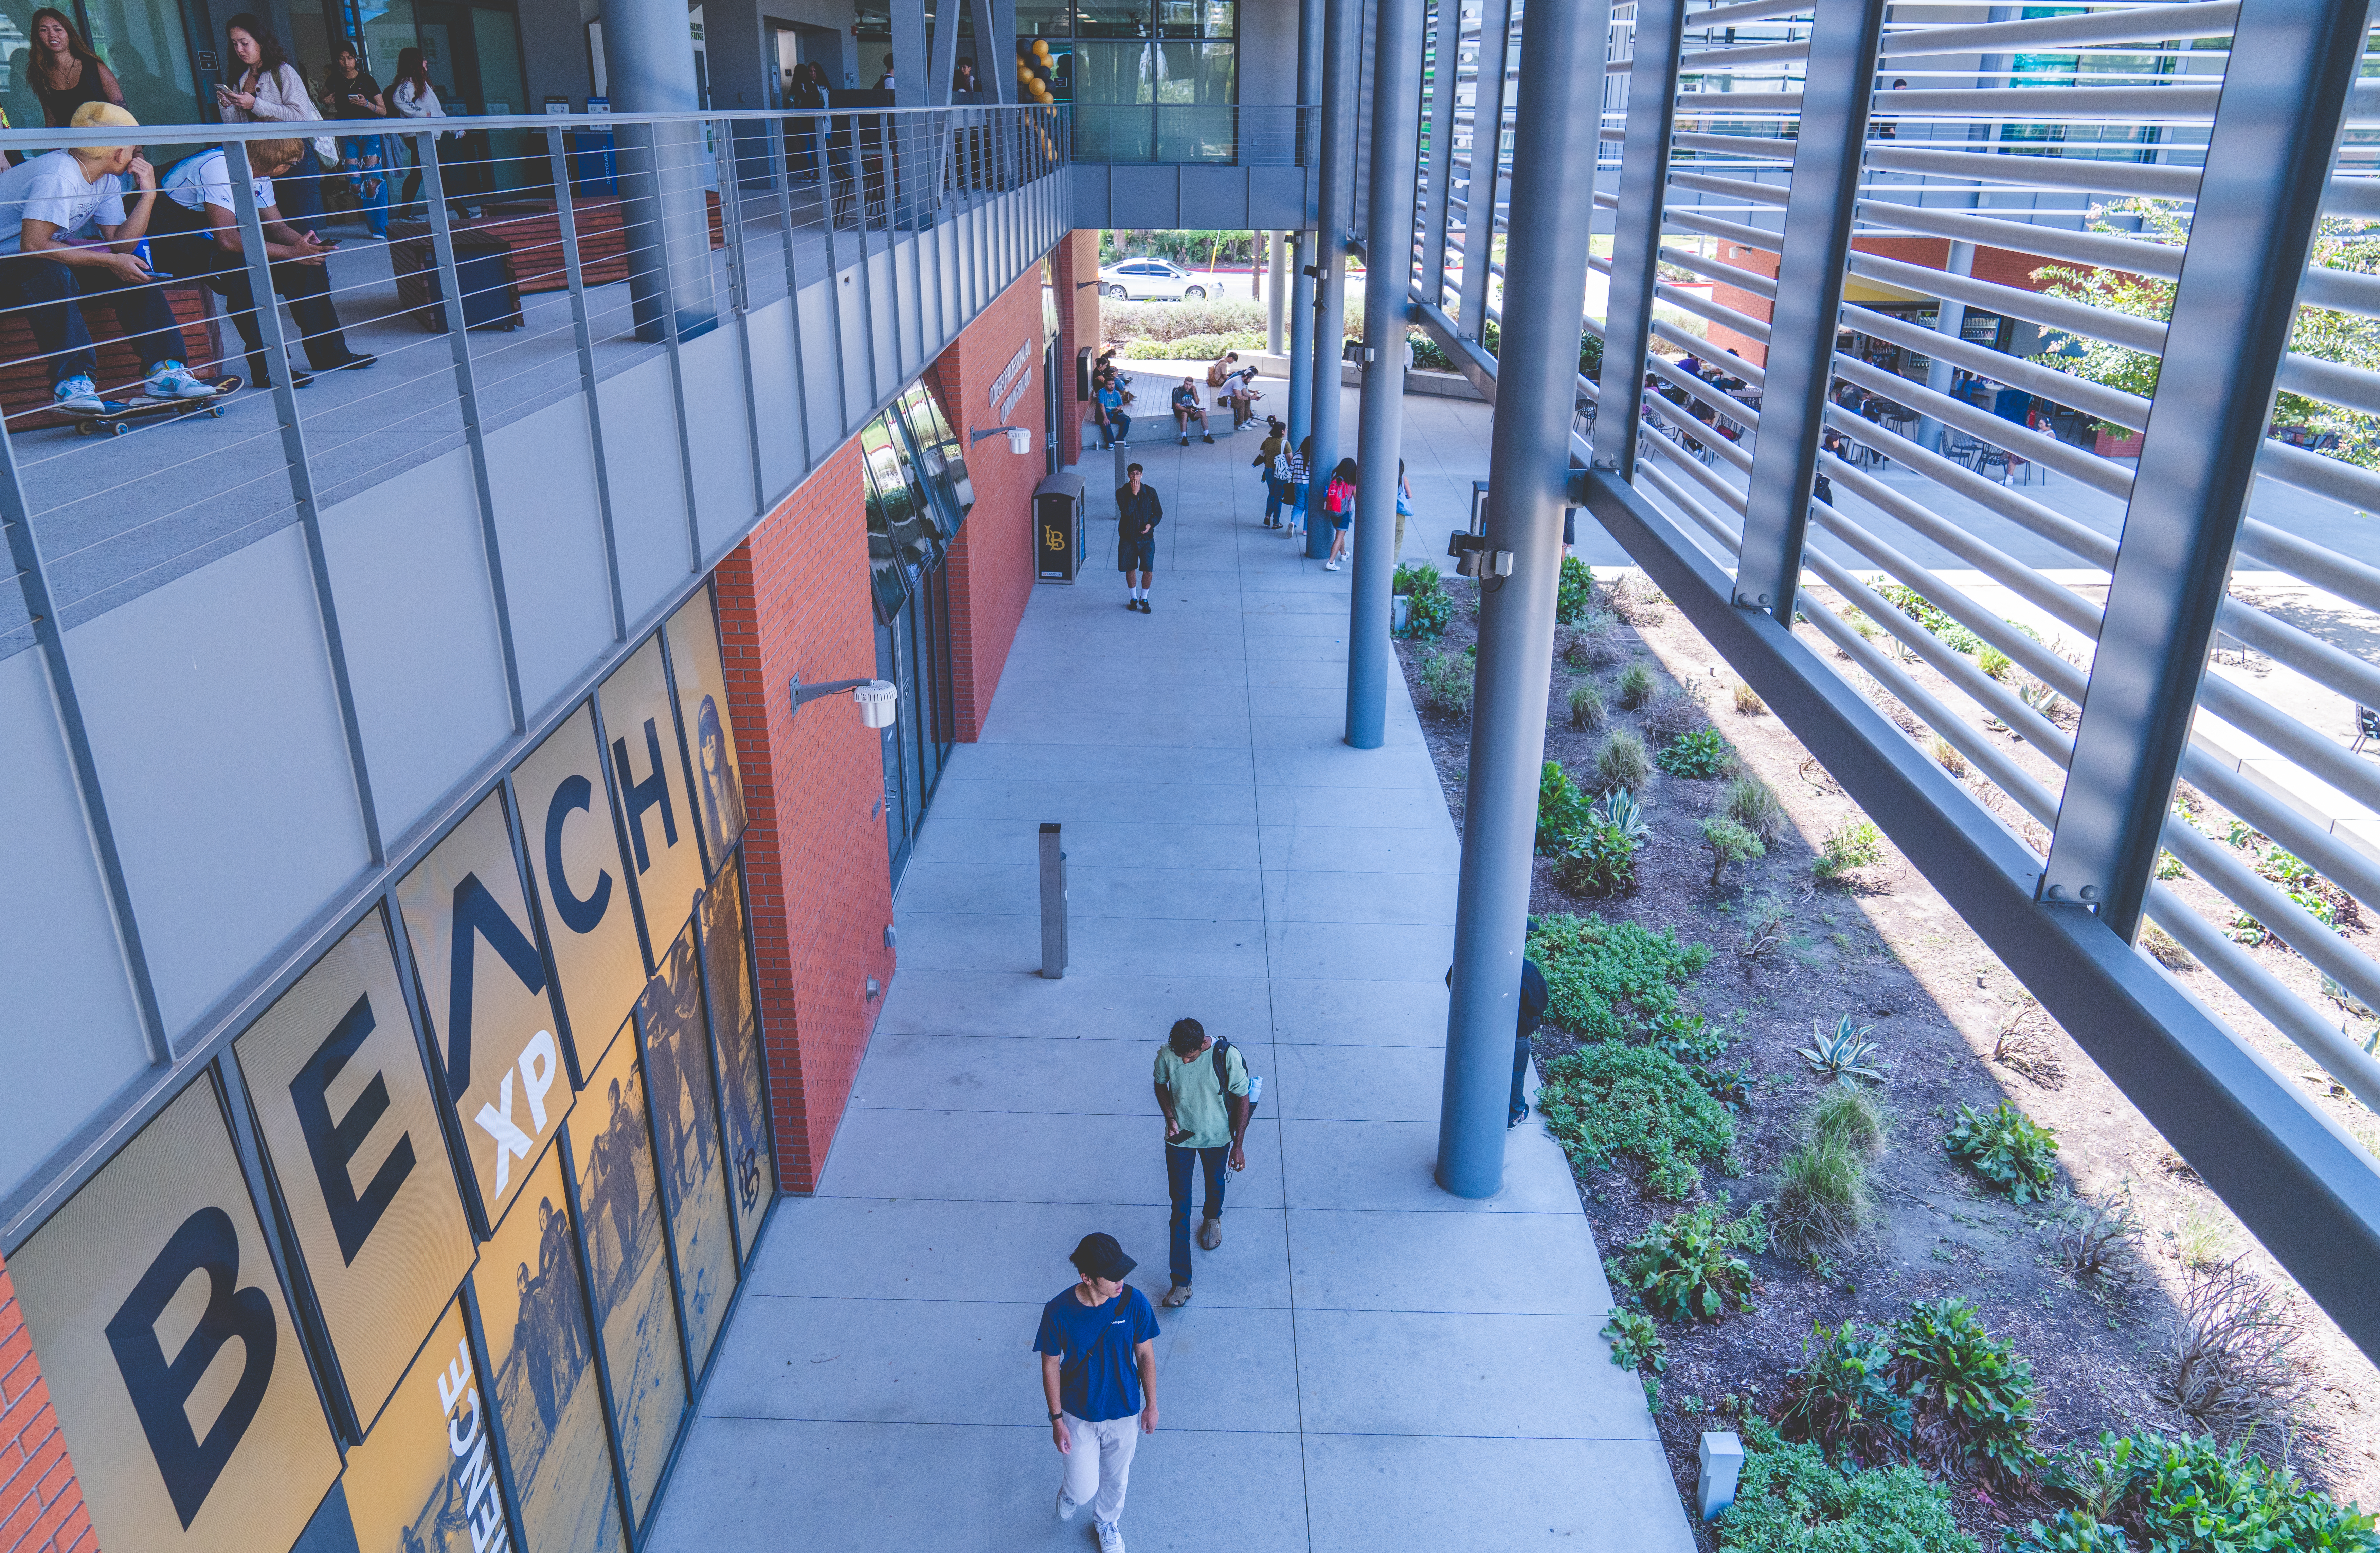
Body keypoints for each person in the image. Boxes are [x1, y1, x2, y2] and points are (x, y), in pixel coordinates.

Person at [0, 103, 218, 412]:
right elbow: (34, 247)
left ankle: (165, 372)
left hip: (30, 265)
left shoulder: (105, 179)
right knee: (48, 271)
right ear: (118, 152)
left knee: (134, 269)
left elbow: (121, 247)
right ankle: (71, 384)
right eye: (134, 150)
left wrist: (148, 196)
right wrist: (109, 261)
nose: (137, 157)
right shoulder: (59, 176)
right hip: (16, 267)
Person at [149, 136, 376, 388]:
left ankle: (331, 353)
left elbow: (277, 228)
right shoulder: (218, 167)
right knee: (243, 268)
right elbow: (227, 240)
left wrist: (307, 249)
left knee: (308, 266)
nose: (293, 168)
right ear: (274, 162)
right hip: (165, 242)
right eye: (291, 163)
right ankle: (270, 368)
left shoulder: (258, 173)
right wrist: (291, 253)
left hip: (207, 238)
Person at [1033, 1232, 1160, 1553]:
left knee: (1117, 1480)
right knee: (1082, 1488)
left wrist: (1152, 1405)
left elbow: (1145, 1354)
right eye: (1112, 1275)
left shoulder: (1133, 1302)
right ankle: (1069, 1494)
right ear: (1086, 1277)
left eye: (1122, 1271)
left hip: (1125, 1411)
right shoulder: (1058, 1311)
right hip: (1079, 1413)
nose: (1121, 1280)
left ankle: (1107, 1522)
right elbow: (1050, 1365)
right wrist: (1057, 1420)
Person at [1152, 1017, 1248, 1307]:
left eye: (1190, 1056)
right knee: (1179, 1208)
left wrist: (1239, 1145)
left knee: (1214, 1183)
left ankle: (1212, 1217)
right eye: (1180, 1054)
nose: (1184, 1059)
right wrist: (1170, 1118)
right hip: (1181, 1138)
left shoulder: (1225, 1056)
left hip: (1217, 1137)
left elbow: (1242, 1097)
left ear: (1202, 1044)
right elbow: (1160, 1085)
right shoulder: (1167, 1055)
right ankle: (1181, 1282)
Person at [216, 14, 333, 232]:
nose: (240, 49)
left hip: (293, 158)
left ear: (260, 41)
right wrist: (228, 106)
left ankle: (312, 267)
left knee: (302, 230)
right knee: (274, 232)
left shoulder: (283, 71)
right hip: (260, 163)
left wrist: (255, 105)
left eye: (244, 43)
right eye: (234, 44)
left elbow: (301, 117)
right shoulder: (239, 77)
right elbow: (238, 127)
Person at [319, 41, 388, 239]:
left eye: (349, 58)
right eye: (342, 58)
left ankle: (379, 229)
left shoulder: (367, 80)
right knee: (355, 183)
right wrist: (327, 101)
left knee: (373, 180)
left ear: (356, 59)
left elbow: (384, 110)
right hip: (347, 135)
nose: (346, 62)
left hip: (370, 133)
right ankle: (375, 224)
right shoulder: (334, 80)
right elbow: (320, 98)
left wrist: (366, 104)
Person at [25, 9, 123, 128]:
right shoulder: (42, 75)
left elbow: (122, 112)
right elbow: (52, 121)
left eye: (58, 29)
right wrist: (55, 148)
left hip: (106, 143)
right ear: (38, 36)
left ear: (69, 34)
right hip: (72, 145)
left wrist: (135, 144)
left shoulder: (96, 68)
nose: (52, 35)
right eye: (44, 30)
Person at [389, 47, 445, 217]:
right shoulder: (408, 82)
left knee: (417, 175)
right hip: (419, 136)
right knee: (442, 175)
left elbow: (437, 111)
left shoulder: (423, 83)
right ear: (416, 62)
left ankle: (404, 215)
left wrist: (455, 128)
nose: (426, 62)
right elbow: (399, 99)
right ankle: (464, 213)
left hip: (425, 135)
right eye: (423, 59)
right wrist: (422, 114)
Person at [1116, 462, 1160, 612]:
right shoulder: (1122, 493)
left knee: (1148, 569)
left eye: (1137, 473)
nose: (1135, 476)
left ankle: (1144, 598)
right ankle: (1134, 598)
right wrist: (1134, 494)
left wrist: (1150, 525)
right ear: (1128, 475)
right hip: (1129, 538)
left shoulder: (1150, 492)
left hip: (1146, 539)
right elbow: (1127, 512)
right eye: (1132, 473)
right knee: (1130, 567)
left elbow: (1158, 513)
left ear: (1142, 475)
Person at [1322, 457, 1357, 571]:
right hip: (1344, 512)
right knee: (1339, 536)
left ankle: (1343, 554)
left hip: (1333, 511)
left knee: (1339, 533)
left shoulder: (1336, 479)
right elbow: (1357, 500)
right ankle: (1331, 562)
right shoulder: (1352, 483)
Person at [1255, 416, 1285, 526]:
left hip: (1268, 471)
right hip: (1280, 473)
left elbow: (1262, 454)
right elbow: (1291, 460)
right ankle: (1276, 523)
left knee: (1272, 493)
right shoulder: (1285, 444)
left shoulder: (1267, 441)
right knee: (1279, 497)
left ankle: (1267, 516)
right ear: (1282, 432)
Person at [1169, 376, 1211, 444]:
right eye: (1186, 384)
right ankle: (1184, 437)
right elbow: (1178, 406)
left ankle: (1207, 435)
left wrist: (1194, 392)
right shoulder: (1179, 391)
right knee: (1185, 414)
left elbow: (1197, 402)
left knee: (1203, 414)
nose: (1188, 386)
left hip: (1190, 408)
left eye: (1190, 385)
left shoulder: (1192, 390)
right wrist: (1188, 411)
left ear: (1192, 385)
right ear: (1184, 383)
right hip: (1180, 410)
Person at [1283, 436, 1310, 540]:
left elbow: (1291, 470)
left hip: (1298, 485)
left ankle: (1293, 523)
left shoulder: (1297, 456)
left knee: (1298, 506)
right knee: (1309, 508)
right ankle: (1306, 530)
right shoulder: (1313, 457)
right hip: (1310, 485)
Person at [1095, 374, 1129, 448]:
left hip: (1113, 413)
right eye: (1110, 385)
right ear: (1106, 385)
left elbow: (1120, 405)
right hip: (1102, 414)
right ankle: (1111, 442)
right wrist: (1105, 418)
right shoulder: (1102, 392)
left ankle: (1120, 440)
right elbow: (1102, 406)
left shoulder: (1117, 393)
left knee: (1126, 421)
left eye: (1113, 384)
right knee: (1106, 423)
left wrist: (1118, 408)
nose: (1112, 386)